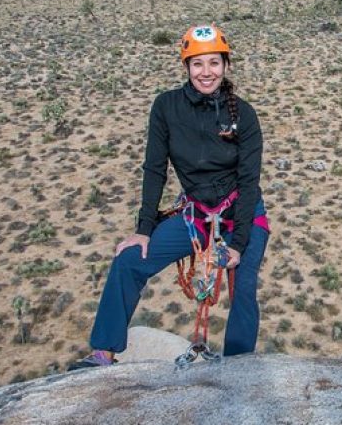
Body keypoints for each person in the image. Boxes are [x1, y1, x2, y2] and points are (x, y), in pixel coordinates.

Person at [69, 24, 269, 369]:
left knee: (243, 284)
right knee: (130, 259)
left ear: (226, 65)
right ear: (186, 67)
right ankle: (103, 351)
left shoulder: (244, 115)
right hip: (197, 216)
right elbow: (154, 169)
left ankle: (240, 370)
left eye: (214, 63)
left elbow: (250, 182)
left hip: (242, 213)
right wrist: (143, 229)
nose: (206, 72)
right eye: (197, 64)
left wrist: (237, 245)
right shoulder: (166, 107)